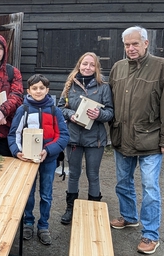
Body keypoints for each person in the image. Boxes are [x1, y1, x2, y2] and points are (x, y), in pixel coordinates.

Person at [109, 26, 164, 254]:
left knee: (150, 187)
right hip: (122, 137)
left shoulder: (162, 68)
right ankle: (129, 217)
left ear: (146, 43)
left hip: (150, 139)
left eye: (135, 44)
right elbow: (109, 102)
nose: (131, 48)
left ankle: (150, 234)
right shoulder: (117, 68)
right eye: (127, 45)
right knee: (123, 182)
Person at [7, 74, 69, 245]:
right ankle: (28, 222)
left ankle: (43, 225)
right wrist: (17, 152)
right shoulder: (23, 110)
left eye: (42, 88)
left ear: (47, 90)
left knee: (46, 194)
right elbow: (14, 135)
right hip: (27, 160)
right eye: (34, 88)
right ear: (29, 90)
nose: (38, 91)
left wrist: (48, 150)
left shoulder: (54, 110)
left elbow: (63, 135)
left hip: (48, 160)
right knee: (28, 194)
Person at [57, 52, 114, 225]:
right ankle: (71, 208)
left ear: (96, 67)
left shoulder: (103, 86)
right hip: (73, 137)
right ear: (79, 65)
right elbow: (60, 108)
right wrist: (70, 114)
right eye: (84, 63)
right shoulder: (70, 85)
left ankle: (93, 209)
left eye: (91, 64)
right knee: (73, 174)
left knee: (93, 174)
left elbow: (110, 113)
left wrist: (99, 114)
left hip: (94, 139)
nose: (87, 67)